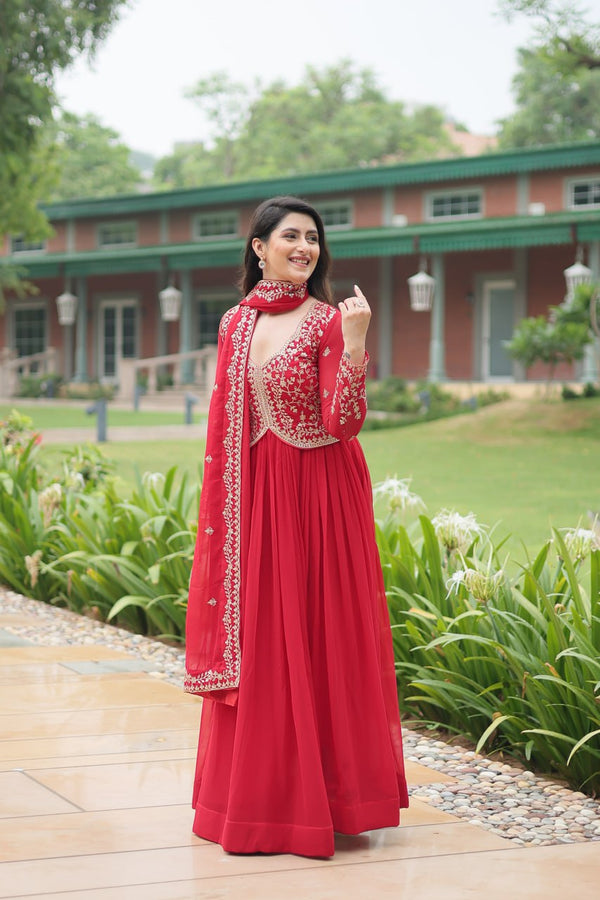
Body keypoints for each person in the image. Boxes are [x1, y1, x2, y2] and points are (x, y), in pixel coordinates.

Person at [185, 195, 409, 858]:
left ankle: (333, 801)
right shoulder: (236, 324)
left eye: (312, 238)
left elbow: (342, 421)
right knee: (263, 643)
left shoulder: (329, 320)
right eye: (291, 236)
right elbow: (228, 426)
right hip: (257, 501)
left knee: (315, 638)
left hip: (319, 498)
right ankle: (258, 803)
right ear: (259, 248)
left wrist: (359, 342)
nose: (304, 247)